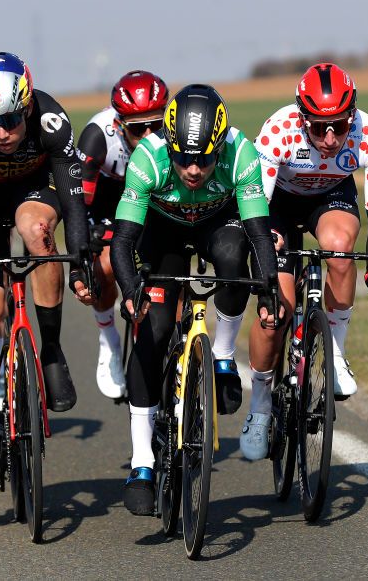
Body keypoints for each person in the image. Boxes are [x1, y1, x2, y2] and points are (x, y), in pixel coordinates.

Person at [111, 84, 280, 515]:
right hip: (161, 230)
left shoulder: (241, 154)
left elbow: (260, 233)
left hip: (216, 224)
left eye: (204, 159)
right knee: (156, 329)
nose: (192, 169)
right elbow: (124, 239)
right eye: (183, 158)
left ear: (219, 148)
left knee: (232, 258)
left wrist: (269, 289)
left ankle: (222, 355)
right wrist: (132, 291)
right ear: (169, 145)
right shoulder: (147, 158)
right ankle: (143, 462)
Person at [0, 52, 93, 496]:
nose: (1, 133)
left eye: (9, 120)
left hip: (33, 190)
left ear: (26, 107)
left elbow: (74, 200)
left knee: (36, 232)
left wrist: (81, 258)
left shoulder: (52, 121)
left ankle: (50, 350)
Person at [245, 63, 368, 461]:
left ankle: (337, 356)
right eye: (318, 128)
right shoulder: (278, 131)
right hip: (277, 201)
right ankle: (259, 407)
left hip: (330, 197)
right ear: (301, 119)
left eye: (340, 127)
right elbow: (256, 207)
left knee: (341, 249)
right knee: (275, 311)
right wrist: (265, 243)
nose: (330, 139)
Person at [77, 69, 168, 399]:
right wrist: (87, 244)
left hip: (154, 195)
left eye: (155, 126)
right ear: (118, 125)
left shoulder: (175, 137)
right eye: (136, 127)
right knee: (106, 264)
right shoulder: (97, 136)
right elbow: (79, 206)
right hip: (108, 197)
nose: (147, 135)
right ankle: (109, 340)